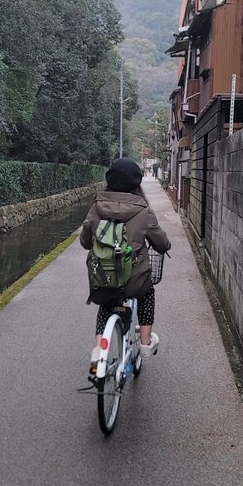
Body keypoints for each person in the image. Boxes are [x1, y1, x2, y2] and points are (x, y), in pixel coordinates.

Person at [80, 157, 171, 367]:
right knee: (147, 294)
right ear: (136, 183)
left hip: (103, 276)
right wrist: (163, 247)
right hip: (134, 280)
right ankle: (145, 344)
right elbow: (161, 243)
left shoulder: (96, 206)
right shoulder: (143, 210)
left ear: (109, 180)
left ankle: (99, 352)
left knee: (106, 303)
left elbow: (85, 240)